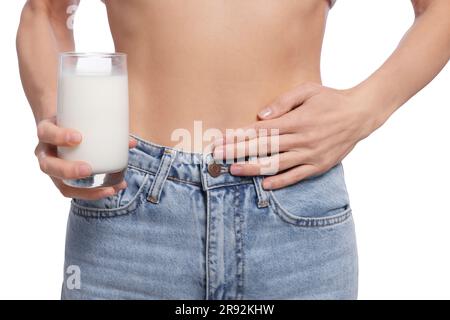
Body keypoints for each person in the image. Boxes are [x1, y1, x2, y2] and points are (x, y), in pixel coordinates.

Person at [17, 0, 450, 300]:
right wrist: (59, 119)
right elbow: (46, 11)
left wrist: (364, 108)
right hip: (130, 205)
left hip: (291, 199)